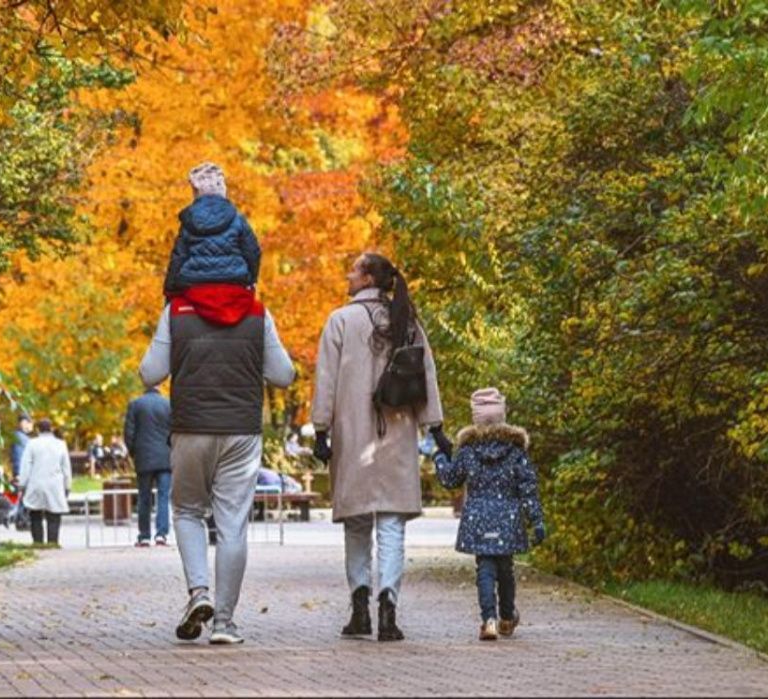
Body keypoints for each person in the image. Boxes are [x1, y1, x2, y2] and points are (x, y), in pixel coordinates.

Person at [140, 280, 295, 645]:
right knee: (232, 525)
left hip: (191, 428)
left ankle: (199, 592)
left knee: (188, 511)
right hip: (241, 430)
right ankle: (224, 623)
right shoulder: (257, 311)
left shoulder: (176, 311)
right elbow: (284, 375)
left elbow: (150, 373)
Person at [311, 252, 447, 641]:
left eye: (352, 269)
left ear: (367, 277)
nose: (347, 275)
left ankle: (359, 608)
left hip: (353, 437)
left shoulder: (339, 321)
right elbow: (428, 377)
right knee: (391, 525)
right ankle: (388, 606)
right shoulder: (406, 321)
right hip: (398, 434)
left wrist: (321, 430)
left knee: (356, 525)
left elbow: (326, 380)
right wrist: (435, 429)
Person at [434, 388, 546, 641]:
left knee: (484, 568)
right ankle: (507, 617)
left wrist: (440, 458)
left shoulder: (468, 451)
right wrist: (536, 520)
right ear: (502, 417)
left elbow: (451, 479)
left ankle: (489, 620)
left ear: (476, 419)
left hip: (477, 517)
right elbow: (527, 488)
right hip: (508, 517)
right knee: (505, 568)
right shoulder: (516, 452)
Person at [162, 162, 261, 297]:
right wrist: (251, 279)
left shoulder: (189, 221)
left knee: (168, 317)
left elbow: (179, 257)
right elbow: (253, 252)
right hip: (234, 281)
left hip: (193, 283)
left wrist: (169, 289)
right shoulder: (238, 219)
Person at [124, 387, 173, 547]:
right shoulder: (168, 404)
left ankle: (144, 535)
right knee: (164, 497)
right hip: (165, 458)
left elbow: (129, 433)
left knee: (144, 498)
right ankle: (162, 534)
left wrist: (134, 452)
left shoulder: (136, 404)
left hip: (144, 457)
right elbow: (174, 431)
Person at [18, 418, 73, 546]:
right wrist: (67, 485)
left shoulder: (32, 444)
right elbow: (66, 467)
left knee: (35, 514)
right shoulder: (60, 444)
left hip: (36, 483)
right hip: (55, 484)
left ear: (38, 429)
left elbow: (26, 466)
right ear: (51, 429)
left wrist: (22, 484)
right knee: (54, 514)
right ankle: (53, 542)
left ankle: (38, 542)